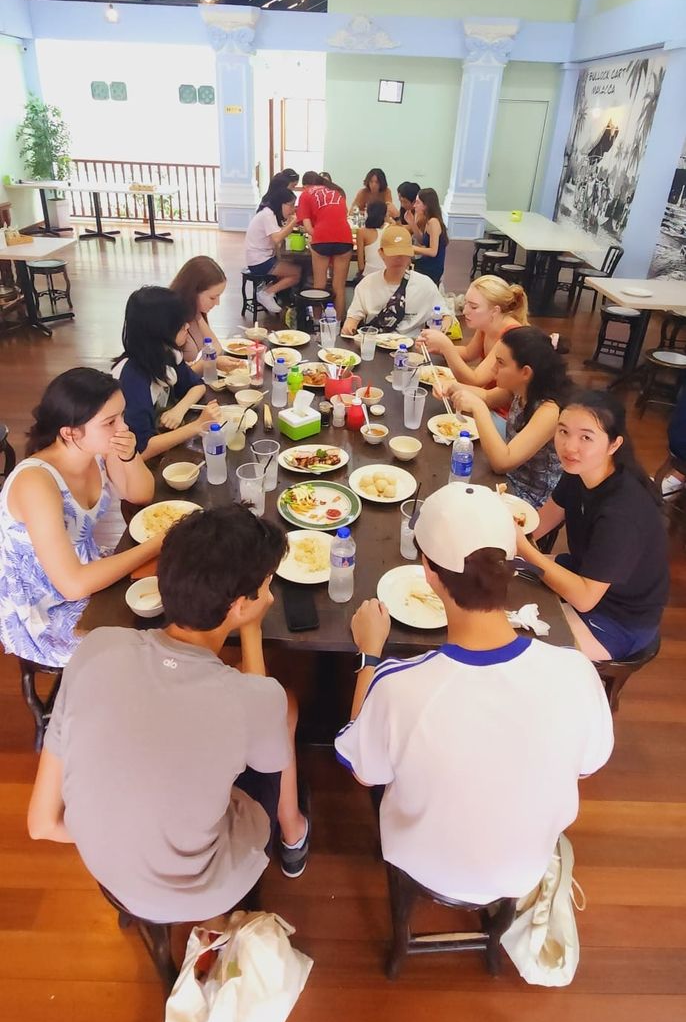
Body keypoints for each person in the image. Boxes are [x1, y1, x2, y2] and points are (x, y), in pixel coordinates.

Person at [27, 507, 310, 923]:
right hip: (207, 888)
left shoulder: (95, 648)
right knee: (284, 706)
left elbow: (41, 824)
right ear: (241, 604)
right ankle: (293, 832)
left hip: (111, 878)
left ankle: (289, 831)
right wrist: (251, 629)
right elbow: (266, 749)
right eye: (265, 588)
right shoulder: (247, 698)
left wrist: (125, 845)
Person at [334, 483, 613, 905]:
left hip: (423, 860)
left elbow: (364, 771)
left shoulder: (397, 687)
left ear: (427, 570)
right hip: (524, 868)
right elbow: (587, 765)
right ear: (512, 564)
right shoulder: (576, 671)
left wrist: (369, 657)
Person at [0, 369, 159, 670]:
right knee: (144, 648)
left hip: (81, 569)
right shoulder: (36, 482)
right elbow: (72, 585)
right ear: (69, 432)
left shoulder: (97, 448)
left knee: (160, 605)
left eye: (122, 416)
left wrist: (129, 456)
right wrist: (155, 545)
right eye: (110, 422)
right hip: (44, 606)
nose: (123, 427)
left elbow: (140, 494)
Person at [516, 390, 669, 662]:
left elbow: (585, 598)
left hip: (619, 618)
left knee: (524, 652)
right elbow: (538, 524)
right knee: (506, 581)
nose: (569, 446)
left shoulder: (623, 511)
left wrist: (524, 550)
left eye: (586, 437)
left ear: (613, 444)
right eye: (563, 432)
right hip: (584, 574)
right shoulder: (580, 471)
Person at [447, 327, 567, 508]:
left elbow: (502, 463)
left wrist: (478, 408)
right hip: (507, 480)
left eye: (501, 363)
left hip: (527, 498)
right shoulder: (520, 387)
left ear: (526, 372)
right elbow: (487, 397)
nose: (494, 369)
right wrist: (451, 387)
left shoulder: (549, 410)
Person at [112, 286, 219, 460]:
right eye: (180, 324)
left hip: (163, 441)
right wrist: (196, 426)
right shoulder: (132, 378)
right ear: (159, 330)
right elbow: (141, 450)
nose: (186, 326)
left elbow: (197, 386)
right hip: (137, 463)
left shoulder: (167, 353)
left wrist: (179, 409)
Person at [420, 275, 529, 392]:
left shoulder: (511, 337)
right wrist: (438, 347)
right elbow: (468, 353)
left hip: (499, 405)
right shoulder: (487, 323)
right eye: (466, 303)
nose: (465, 311)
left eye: (473, 307)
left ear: (495, 310)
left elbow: (475, 380)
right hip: (486, 394)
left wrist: (446, 347)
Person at [342, 224, 449, 336]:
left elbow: (445, 314)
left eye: (403, 253)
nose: (399, 258)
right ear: (381, 253)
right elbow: (352, 319)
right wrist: (349, 328)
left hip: (413, 347)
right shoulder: (367, 284)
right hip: (374, 344)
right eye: (393, 253)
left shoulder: (425, 285)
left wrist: (444, 325)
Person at [169, 255, 245, 375]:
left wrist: (212, 361)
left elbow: (216, 347)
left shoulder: (195, 312)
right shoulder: (171, 319)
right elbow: (175, 378)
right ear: (193, 291)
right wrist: (211, 362)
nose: (217, 303)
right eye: (212, 297)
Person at [296, 171, 353, 322]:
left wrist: (319, 235)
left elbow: (308, 227)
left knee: (319, 284)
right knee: (339, 287)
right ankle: (338, 325)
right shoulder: (336, 191)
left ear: (305, 185)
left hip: (322, 239)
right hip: (345, 237)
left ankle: (317, 324)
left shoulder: (306, 193)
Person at [244, 183, 302, 317]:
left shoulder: (270, 214)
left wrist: (288, 223)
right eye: (291, 205)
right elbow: (277, 239)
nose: (293, 209)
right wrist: (293, 223)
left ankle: (269, 291)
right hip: (259, 261)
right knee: (297, 273)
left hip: (262, 257)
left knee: (289, 270)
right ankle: (266, 293)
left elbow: (278, 238)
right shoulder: (267, 215)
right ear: (281, 203)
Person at [409, 187, 449, 285]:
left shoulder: (433, 222)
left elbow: (433, 251)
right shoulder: (428, 220)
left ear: (426, 205)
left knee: (407, 270)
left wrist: (412, 248)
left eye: (418, 202)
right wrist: (411, 223)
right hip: (427, 262)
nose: (414, 205)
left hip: (432, 267)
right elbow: (423, 241)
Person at [356, 200, 387, 277]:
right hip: (387, 272)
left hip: (369, 274)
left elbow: (361, 265)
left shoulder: (362, 232)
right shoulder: (390, 229)